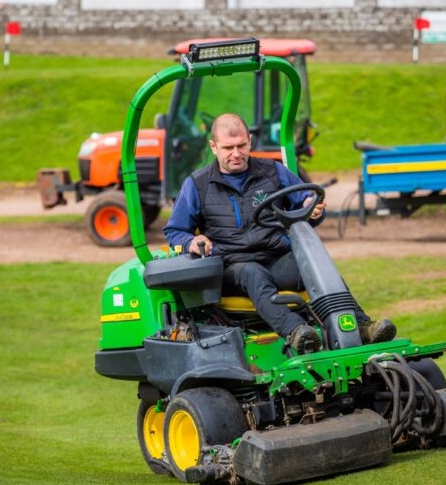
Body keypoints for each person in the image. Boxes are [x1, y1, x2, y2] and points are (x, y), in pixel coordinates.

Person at [163, 113, 395, 354]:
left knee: (314, 262)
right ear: (213, 147)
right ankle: (296, 331)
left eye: (241, 145)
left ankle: (361, 326)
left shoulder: (272, 171)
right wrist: (192, 241)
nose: (236, 153)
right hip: (232, 266)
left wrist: (312, 210)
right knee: (252, 272)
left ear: (250, 141)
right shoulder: (198, 184)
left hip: (276, 257)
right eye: (228, 148)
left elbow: (303, 204)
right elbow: (174, 230)